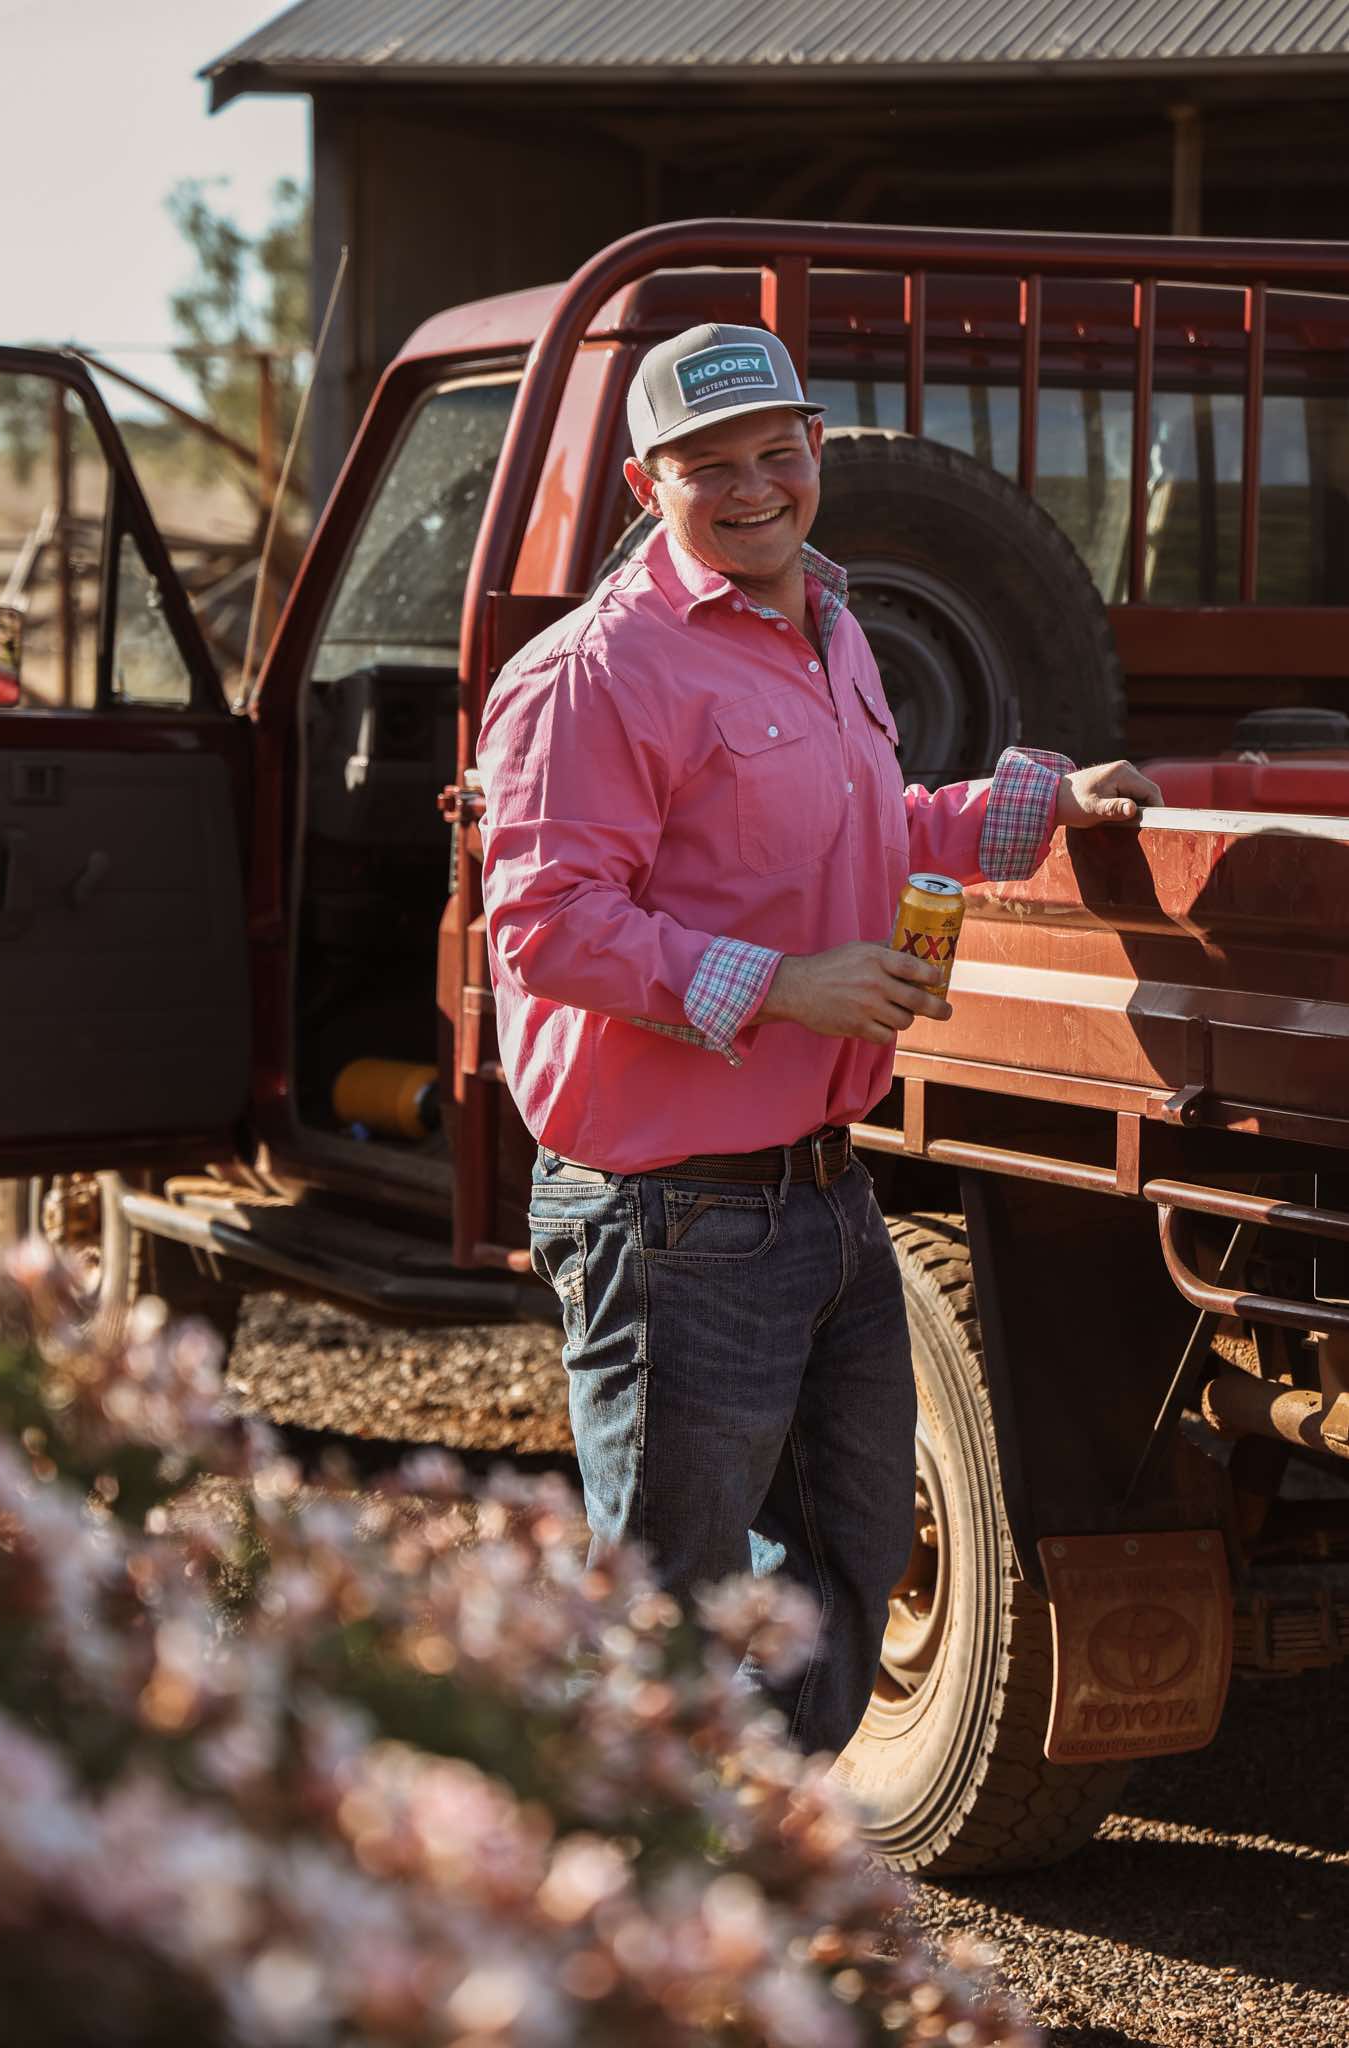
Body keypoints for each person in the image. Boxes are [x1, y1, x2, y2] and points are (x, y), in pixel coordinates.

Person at [476, 321, 1161, 1756]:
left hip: (822, 1199)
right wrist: (786, 986)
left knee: (846, 1567)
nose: (751, 488)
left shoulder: (824, 622)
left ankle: (741, 1872)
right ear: (639, 480)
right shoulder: (592, 673)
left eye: (776, 453)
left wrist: (1038, 805)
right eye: (707, 465)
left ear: (816, 452)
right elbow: (546, 923)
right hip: (667, 1219)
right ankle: (644, 1927)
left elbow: (869, 821)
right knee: (672, 1613)